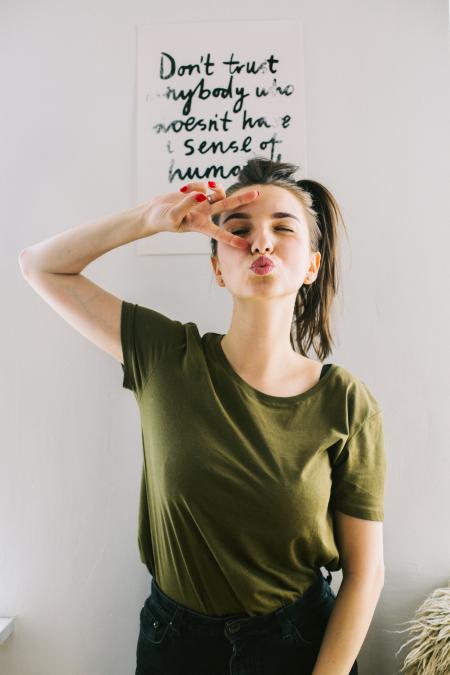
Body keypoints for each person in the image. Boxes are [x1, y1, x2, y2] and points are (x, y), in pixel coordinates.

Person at [19, 156, 387, 675]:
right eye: (239, 230)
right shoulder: (166, 356)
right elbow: (39, 265)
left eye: (283, 229)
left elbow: (366, 573)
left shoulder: (346, 401)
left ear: (311, 265)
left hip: (299, 646)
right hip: (176, 647)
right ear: (217, 266)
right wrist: (149, 217)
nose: (260, 242)